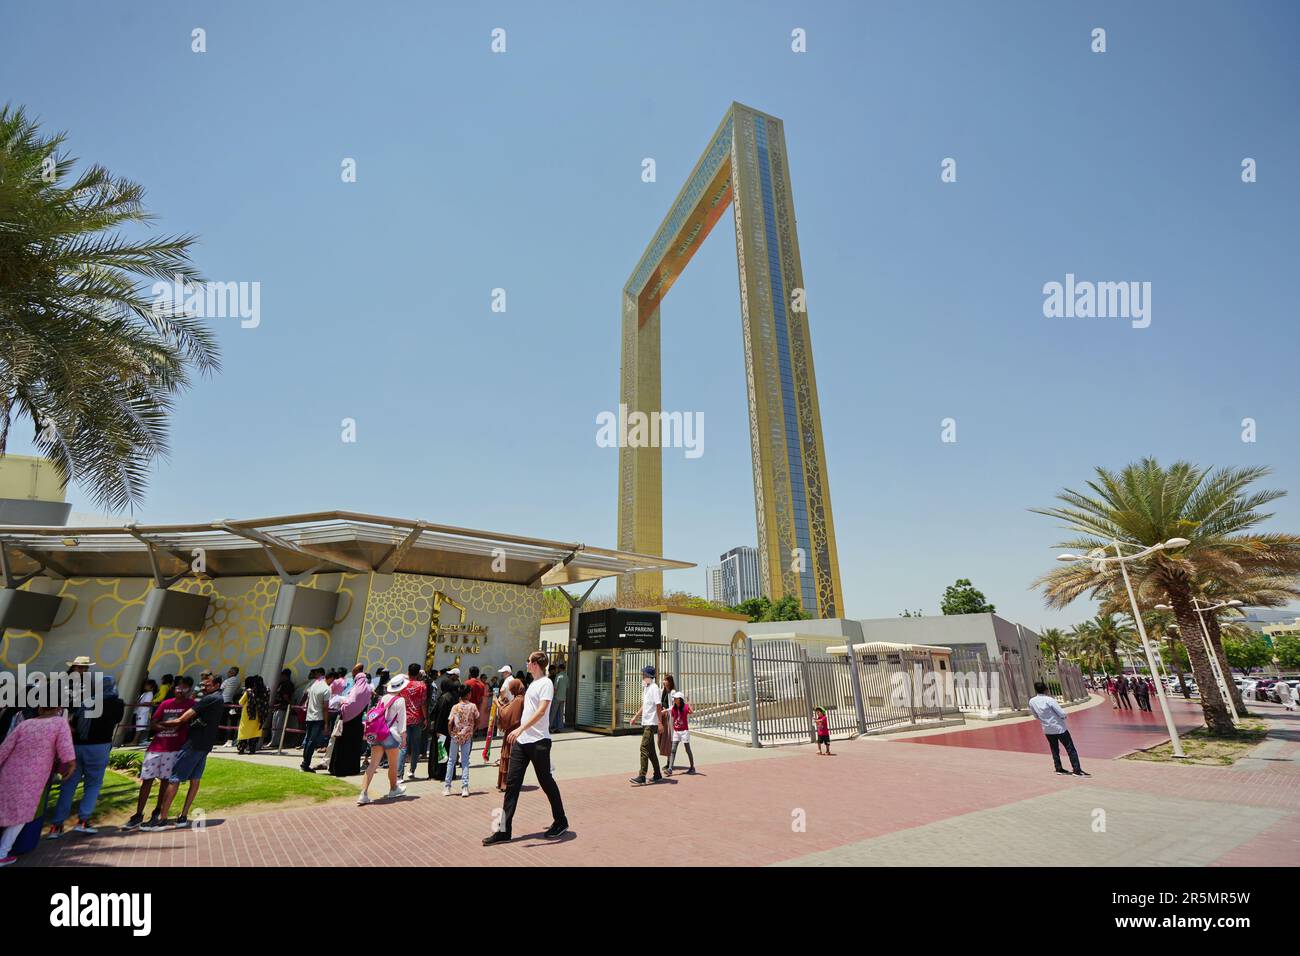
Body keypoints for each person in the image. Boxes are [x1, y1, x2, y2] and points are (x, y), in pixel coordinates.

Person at [482, 651, 567, 846]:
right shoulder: (532, 684)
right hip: (523, 741)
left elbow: (542, 711)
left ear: (536, 664)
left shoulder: (546, 683)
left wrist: (520, 728)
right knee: (511, 784)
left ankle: (561, 820)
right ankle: (503, 831)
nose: (526, 663)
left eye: (529, 661)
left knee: (546, 782)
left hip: (539, 742)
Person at [48, 673, 125, 838]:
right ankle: (83, 821)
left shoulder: (86, 702)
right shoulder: (117, 703)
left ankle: (57, 825)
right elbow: (118, 719)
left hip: (77, 746)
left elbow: (75, 723)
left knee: (68, 785)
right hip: (99, 747)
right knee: (93, 784)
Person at [145, 673, 225, 830]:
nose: (204, 687)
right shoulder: (218, 699)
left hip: (193, 744)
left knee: (174, 778)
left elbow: (182, 719)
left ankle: (162, 818)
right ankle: (183, 816)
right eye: (203, 684)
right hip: (205, 745)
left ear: (216, 686)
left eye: (208, 685)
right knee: (195, 779)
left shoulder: (210, 699)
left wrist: (159, 724)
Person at [0, 704, 75, 866]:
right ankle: (2, 853)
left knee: (3, 808)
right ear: (57, 709)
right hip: (33, 778)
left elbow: (4, 749)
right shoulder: (59, 723)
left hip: (10, 772)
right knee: (22, 816)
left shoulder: (25, 724)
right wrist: (71, 765)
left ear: (40, 708)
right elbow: (66, 749)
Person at [124, 676, 195, 829]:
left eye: (184, 688)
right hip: (156, 747)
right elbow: (153, 723)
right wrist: (162, 726)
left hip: (174, 748)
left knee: (165, 781)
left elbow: (183, 722)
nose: (180, 691)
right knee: (147, 780)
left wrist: (164, 725)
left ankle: (157, 812)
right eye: (178, 687)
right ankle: (138, 814)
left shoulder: (191, 705)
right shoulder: (165, 704)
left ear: (189, 690)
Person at [357, 674, 408, 805]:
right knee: (393, 765)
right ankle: (393, 789)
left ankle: (363, 793)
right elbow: (402, 722)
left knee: (373, 765)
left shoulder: (383, 697)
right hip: (392, 734)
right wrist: (404, 738)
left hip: (378, 733)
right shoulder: (400, 700)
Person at [1027, 681, 1089, 777]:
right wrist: (1063, 717)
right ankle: (1076, 770)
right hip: (1059, 728)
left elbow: (1036, 716)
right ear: (1045, 689)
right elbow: (1061, 713)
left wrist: (1045, 720)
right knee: (1070, 749)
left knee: (1054, 749)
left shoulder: (1032, 701)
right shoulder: (1049, 700)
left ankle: (1058, 768)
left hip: (1047, 729)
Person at [329, 665, 370, 777]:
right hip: (358, 723)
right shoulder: (367, 688)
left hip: (348, 722)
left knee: (343, 746)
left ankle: (339, 769)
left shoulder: (357, 688)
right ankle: (352, 769)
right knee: (354, 747)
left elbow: (351, 703)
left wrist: (342, 704)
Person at [628, 665, 664, 786]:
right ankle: (658, 774)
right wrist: (635, 717)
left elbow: (658, 706)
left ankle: (642, 775)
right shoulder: (646, 688)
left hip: (651, 723)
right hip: (646, 722)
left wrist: (659, 723)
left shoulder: (654, 688)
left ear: (649, 676)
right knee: (651, 750)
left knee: (643, 747)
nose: (642, 677)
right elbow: (645, 706)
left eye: (644, 675)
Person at [444, 684, 479, 797]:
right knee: (465, 761)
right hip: (467, 736)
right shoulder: (473, 706)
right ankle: (465, 787)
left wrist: (450, 733)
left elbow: (450, 722)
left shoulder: (455, 707)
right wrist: (473, 729)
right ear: (468, 694)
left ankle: (447, 787)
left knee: (451, 761)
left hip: (455, 735)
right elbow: (477, 719)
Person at [397, 663, 427, 781]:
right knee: (415, 746)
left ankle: (399, 775)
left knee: (403, 746)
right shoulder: (422, 685)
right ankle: (412, 770)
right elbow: (423, 703)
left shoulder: (403, 685)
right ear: (419, 672)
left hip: (404, 718)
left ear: (408, 672)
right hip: (417, 718)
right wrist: (425, 718)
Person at [494, 678, 525, 792]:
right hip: (516, 732)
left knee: (508, 756)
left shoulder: (518, 700)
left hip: (512, 733)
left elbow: (506, 714)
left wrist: (497, 704)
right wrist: (505, 704)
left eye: (512, 689)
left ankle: (506, 783)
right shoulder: (520, 698)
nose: (511, 692)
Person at [300, 669, 331, 773]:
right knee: (312, 741)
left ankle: (304, 762)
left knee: (308, 739)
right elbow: (325, 708)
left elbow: (308, 700)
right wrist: (326, 724)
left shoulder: (314, 685)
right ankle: (305, 764)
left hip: (309, 717)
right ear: (332, 678)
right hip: (318, 718)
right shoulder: (327, 689)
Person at [236, 675, 269, 755]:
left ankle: (241, 749)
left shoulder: (249, 691)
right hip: (260, 716)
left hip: (248, 716)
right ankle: (252, 750)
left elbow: (240, 702)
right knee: (254, 733)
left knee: (243, 732)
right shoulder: (266, 691)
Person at [666, 690, 696, 774]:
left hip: (684, 731)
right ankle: (670, 768)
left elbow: (692, 711)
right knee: (673, 749)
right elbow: (672, 717)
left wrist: (688, 701)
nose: (674, 700)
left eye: (676, 698)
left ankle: (692, 767)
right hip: (676, 731)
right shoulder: (674, 708)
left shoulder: (685, 707)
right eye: (674, 698)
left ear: (680, 699)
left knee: (687, 749)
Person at [267, 668, 294, 748]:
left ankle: (276, 742)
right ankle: (273, 741)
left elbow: (286, 696)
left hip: (282, 707)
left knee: (278, 726)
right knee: (275, 726)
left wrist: (289, 703)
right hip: (278, 707)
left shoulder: (287, 684)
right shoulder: (282, 683)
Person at [131, 679, 158, 746]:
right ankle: (137, 741)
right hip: (140, 712)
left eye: (147, 685)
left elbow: (147, 703)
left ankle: (135, 741)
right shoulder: (145, 693)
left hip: (143, 713)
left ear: (151, 686)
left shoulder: (149, 694)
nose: (145, 686)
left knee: (139, 728)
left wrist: (138, 704)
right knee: (138, 727)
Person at [219, 666, 242, 745]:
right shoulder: (238, 681)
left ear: (233, 673)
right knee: (229, 722)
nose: (228, 673)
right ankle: (225, 738)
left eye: (229, 671)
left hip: (223, 701)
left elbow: (220, 689)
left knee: (222, 721)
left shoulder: (227, 681)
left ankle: (220, 738)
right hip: (230, 702)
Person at [551, 663, 568, 732]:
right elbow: (567, 687)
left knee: (553, 713)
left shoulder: (558, 676)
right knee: (560, 714)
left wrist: (553, 695)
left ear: (560, 668)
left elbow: (555, 687)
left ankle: (549, 726)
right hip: (563, 697)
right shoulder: (566, 676)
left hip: (557, 697)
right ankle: (560, 727)